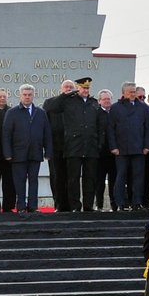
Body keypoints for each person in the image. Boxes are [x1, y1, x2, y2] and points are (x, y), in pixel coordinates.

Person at [44, 76, 100, 212]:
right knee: (72, 179)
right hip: (73, 146)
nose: (85, 90)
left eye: (87, 88)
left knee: (89, 178)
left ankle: (88, 206)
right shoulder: (68, 102)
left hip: (90, 146)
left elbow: (99, 125)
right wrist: (66, 95)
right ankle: (74, 206)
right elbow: (49, 106)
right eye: (83, 87)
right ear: (78, 88)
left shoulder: (94, 103)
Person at [2, 84, 52, 214]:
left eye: (29, 95)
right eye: (25, 95)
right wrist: (7, 153)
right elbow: (6, 134)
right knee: (20, 181)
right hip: (18, 154)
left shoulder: (40, 112)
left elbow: (47, 133)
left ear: (33, 96)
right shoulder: (12, 112)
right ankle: (21, 207)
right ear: (20, 95)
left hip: (35, 152)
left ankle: (33, 206)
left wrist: (48, 151)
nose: (27, 97)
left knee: (34, 180)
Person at [109, 82, 149, 211]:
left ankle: (136, 202)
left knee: (138, 177)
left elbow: (147, 128)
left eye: (134, 91)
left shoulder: (143, 107)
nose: (133, 94)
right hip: (121, 149)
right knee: (121, 176)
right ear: (124, 93)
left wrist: (147, 146)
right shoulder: (116, 108)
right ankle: (120, 203)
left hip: (139, 148)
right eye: (130, 92)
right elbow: (111, 129)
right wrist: (113, 147)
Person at [93, 91, 117, 211]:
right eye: (104, 99)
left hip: (114, 153)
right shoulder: (96, 113)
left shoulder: (115, 113)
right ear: (99, 101)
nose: (107, 101)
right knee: (99, 181)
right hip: (100, 153)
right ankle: (99, 205)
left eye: (108, 99)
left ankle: (114, 205)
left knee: (114, 181)